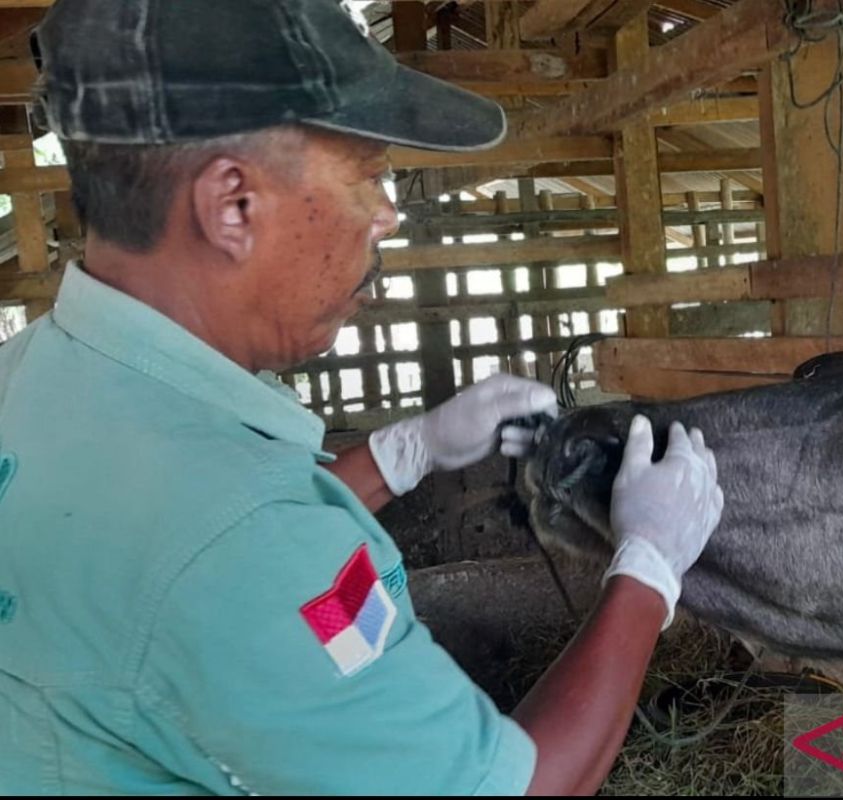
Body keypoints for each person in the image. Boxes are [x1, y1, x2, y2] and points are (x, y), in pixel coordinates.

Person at [0, 0, 725, 795]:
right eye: (369, 177)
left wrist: (400, 453)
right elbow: (523, 788)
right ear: (232, 206)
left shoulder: (32, 380)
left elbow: (194, 566)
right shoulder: (241, 545)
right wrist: (649, 573)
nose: (386, 216)